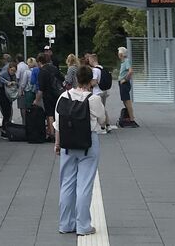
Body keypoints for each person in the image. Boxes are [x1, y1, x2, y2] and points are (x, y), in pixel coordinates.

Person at [54, 65, 106, 236]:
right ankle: (83, 226)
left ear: (76, 78)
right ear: (91, 80)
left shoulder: (63, 96)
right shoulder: (93, 99)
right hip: (88, 143)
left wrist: (57, 144)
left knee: (66, 184)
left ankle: (65, 224)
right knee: (84, 184)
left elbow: (57, 124)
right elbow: (103, 120)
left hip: (67, 145)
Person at [117, 46, 139, 127]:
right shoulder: (123, 62)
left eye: (119, 53)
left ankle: (132, 119)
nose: (118, 55)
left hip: (124, 84)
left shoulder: (126, 61)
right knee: (125, 101)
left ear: (122, 54)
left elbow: (130, 71)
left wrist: (125, 80)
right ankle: (129, 117)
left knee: (127, 101)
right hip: (122, 83)